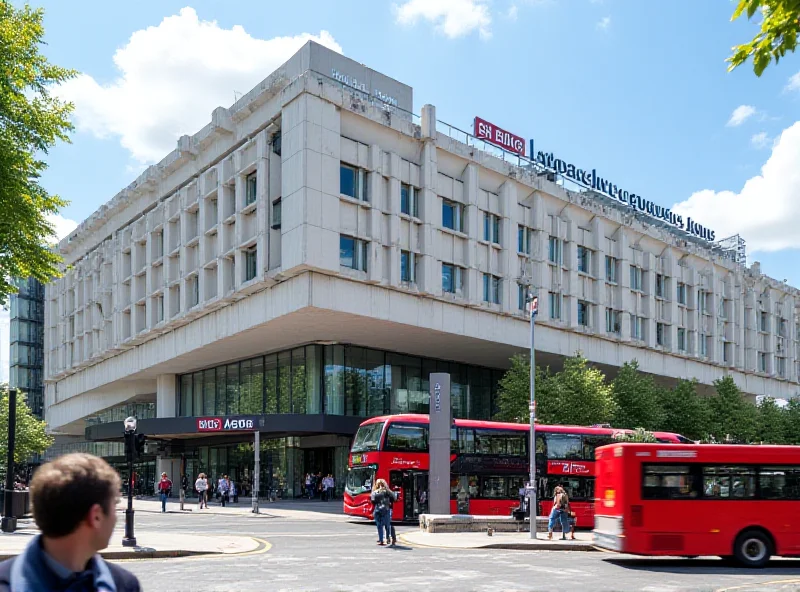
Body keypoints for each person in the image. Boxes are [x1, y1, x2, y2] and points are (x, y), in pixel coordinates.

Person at [0, 453, 141, 591]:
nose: (116, 518)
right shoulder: (123, 584)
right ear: (96, 516)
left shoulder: (126, 584)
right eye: (114, 506)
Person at [370, 479, 396, 546]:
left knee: (381, 526)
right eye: (380, 485)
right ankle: (385, 539)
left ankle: (383, 539)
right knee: (385, 525)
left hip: (379, 510)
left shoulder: (378, 492)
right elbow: (394, 498)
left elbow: (372, 500)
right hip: (385, 510)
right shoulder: (386, 492)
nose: (380, 486)